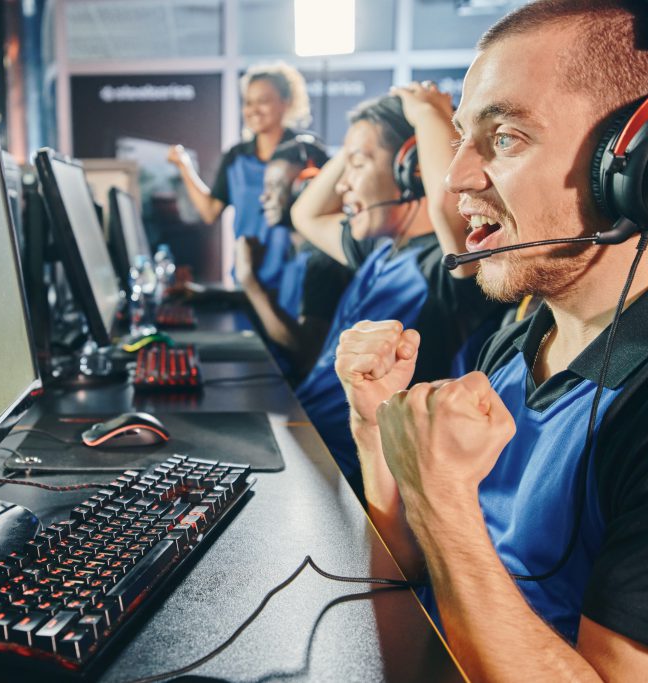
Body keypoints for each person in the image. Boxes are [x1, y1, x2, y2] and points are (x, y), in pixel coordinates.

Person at [336, 1, 648, 678]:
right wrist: (373, 427)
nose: (456, 178)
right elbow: (411, 561)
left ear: (647, 162)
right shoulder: (528, 329)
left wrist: (442, 501)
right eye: (466, 136)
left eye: (504, 137)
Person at [287, 90, 501, 488]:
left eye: (360, 164)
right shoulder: (378, 251)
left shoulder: (445, 267)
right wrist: (357, 143)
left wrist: (425, 116)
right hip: (298, 446)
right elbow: (305, 212)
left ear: (412, 169)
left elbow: (450, 212)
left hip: (344, 479)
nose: (342, 186)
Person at [234, 138, 350, 380]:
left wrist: (250, 282)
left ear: (308, 186)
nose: (263, 198)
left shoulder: (324, 261)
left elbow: (305, 353)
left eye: (275, 186)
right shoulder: (297, 249)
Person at [167, 62, 311, 246]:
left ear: (286, 102)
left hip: (300, 270)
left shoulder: (306, 152)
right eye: (249, 102)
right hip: (249, 270)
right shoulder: (236, 157)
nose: (254, 110)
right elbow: (210, 212)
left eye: (263, 101)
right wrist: (184, 165)